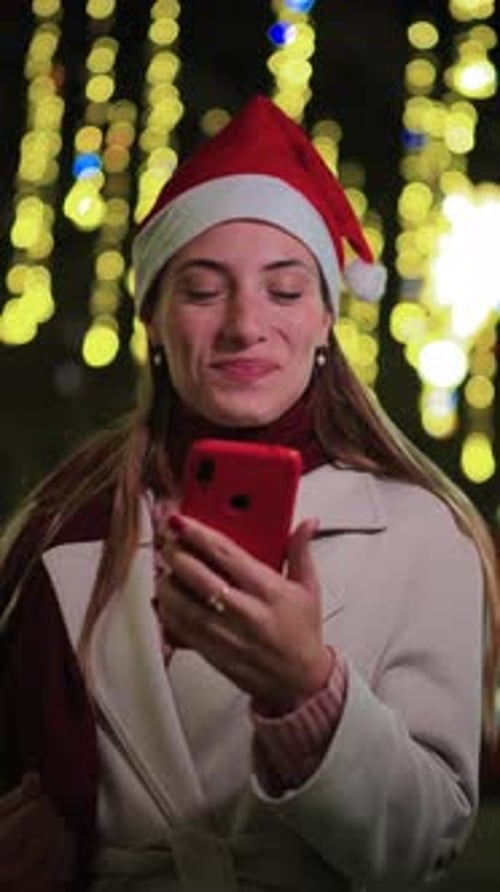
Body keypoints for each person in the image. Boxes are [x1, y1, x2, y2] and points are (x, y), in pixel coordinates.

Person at [0, 94, 498, 892]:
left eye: (285, 289)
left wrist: (308, 692)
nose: (243, 325)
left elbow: (421, 847)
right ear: (154, 323)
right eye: (201, 291)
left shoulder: (421, 532)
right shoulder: (60, 529)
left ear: (327, 320)